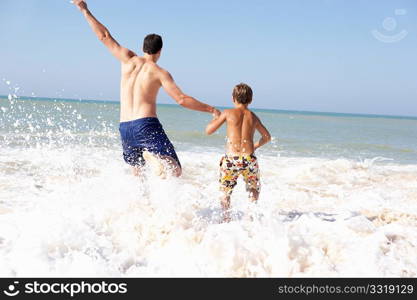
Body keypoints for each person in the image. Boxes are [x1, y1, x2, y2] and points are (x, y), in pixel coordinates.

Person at [73, 0, 220, 177]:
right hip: (145, 124)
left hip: (125, 127)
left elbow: (104, 36)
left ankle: (143, 204)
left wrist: (84, 10)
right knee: (175, 169)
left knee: (137, 172)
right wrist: (211, 109)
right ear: (160, 51)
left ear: (143, 48)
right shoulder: (159, 72)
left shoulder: (127, 60)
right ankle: (152, 155)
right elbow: (181, 99)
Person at [206, 83, 271, 222]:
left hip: (231, 159)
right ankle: (249, 217)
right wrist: (254, 146)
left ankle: (226, 218)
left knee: (225, 191)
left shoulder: (227, 113)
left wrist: (215, 117)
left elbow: (208, 131)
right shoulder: (253, 117)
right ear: (251, 100)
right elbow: (267, 137)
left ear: (233, 98)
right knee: (254, 188)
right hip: (248, 158)